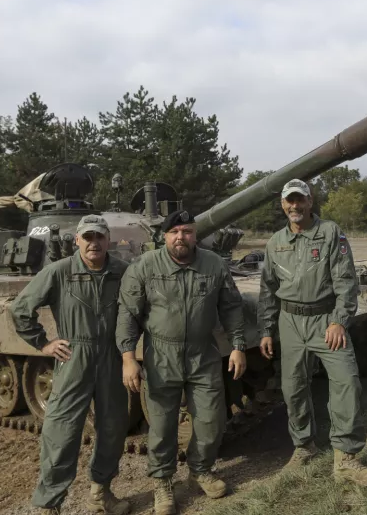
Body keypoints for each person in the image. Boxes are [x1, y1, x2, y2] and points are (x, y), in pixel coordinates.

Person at [116, 209, 247, 515]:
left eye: (187, 231)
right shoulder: (145, 266)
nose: (181, 237)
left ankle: (200, 469)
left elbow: (231, 307)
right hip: (161, 355)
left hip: (203, 354)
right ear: (164, 236)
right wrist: (127, 357)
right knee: (162, 425)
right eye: (174, 232)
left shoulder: (213, 264)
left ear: (194, 235)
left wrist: (238, 345)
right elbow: (127, 314)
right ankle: (162, 482)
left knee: (212, 420)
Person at [257, 178, 367, 487]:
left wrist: (340, 320)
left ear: (310, 202)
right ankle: (303, 447)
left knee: (346, 381)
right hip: (290, 322)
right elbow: (268, 290)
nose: (295, 206)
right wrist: (267, 329)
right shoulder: (275, 243)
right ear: (283, 205)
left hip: (326, 320)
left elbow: (345, 280)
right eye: (290, 200)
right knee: (293, 388)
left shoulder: (329, 233)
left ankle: (345, 458)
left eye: (300, 200)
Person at [10, 214, 132, 515]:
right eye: (87, 237)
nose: (94, 243)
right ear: (77, 240)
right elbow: (21, 309)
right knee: (61, 431)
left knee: (114, 427)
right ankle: (50, 504)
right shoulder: (59, 271)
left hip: (111, 357)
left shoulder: (123, 271)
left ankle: (100, 493)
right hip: (74, 355)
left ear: (108, 241)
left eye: (99, 237)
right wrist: (43, 342)